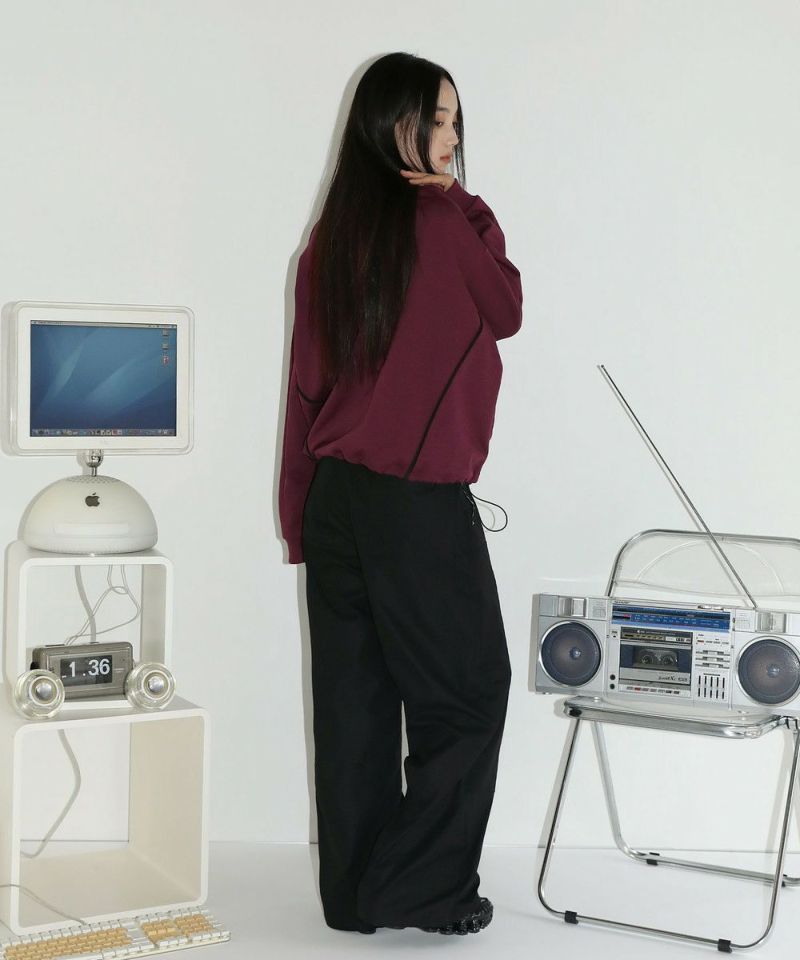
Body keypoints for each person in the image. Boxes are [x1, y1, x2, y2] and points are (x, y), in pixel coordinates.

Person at [279, 51, 522, 937]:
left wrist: (297, 515)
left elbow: (306, 391)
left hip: (337, 503)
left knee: (356, 707)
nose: (451, 137)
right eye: (436, 119)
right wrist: (459, 200)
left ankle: (355, 896)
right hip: (415, 505)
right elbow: (507, 305)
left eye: (456, 120)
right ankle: (421, 888)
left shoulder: (330, 241)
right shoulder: (444, 223)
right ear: (392, 126)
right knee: (470, 692)